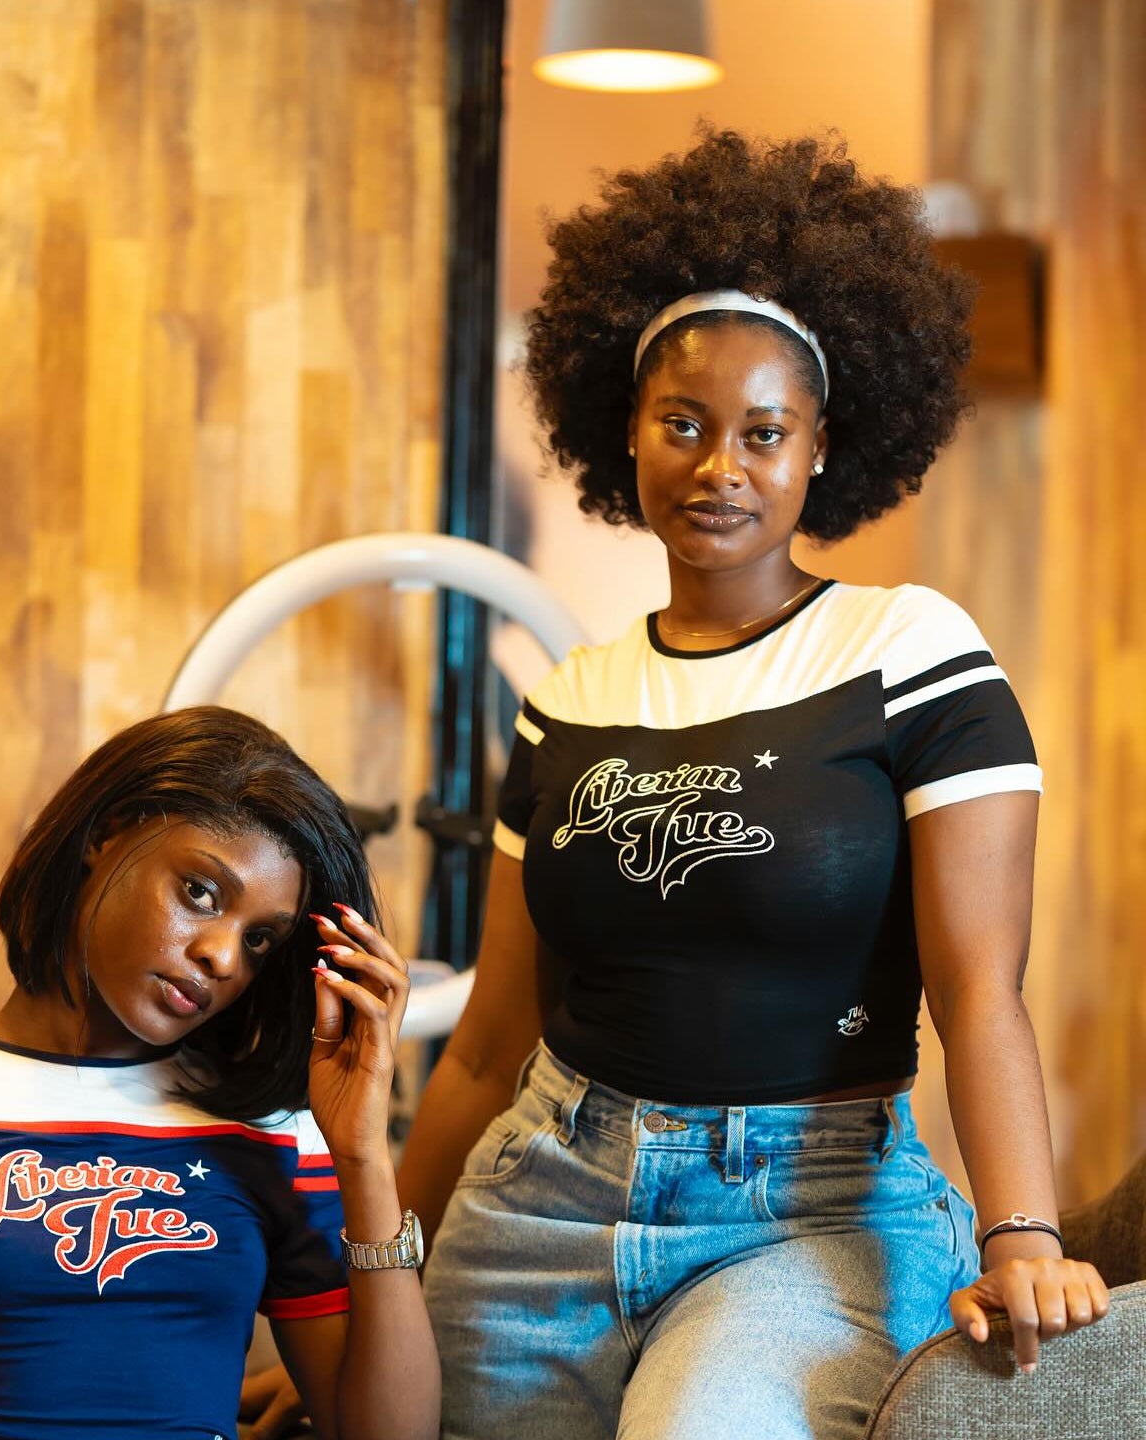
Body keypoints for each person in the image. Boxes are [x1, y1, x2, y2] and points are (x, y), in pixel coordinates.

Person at [394, 131, 1111, 1440]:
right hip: (541, 1205)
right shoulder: (569, 701)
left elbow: (977, 987)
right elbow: (489, 1044)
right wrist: (356, 1309)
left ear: (821, 445)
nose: (721, 465)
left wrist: (1022, 1234)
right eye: (684, 424)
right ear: (625, 433)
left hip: (809, 1215)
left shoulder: (907, 652)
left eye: (763, 432)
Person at [0, 705, 439, 1440]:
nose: (224, 958)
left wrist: (361, 1156)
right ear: (107, 835)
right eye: (201, 893)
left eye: (260, 940)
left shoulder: (273, 1135)